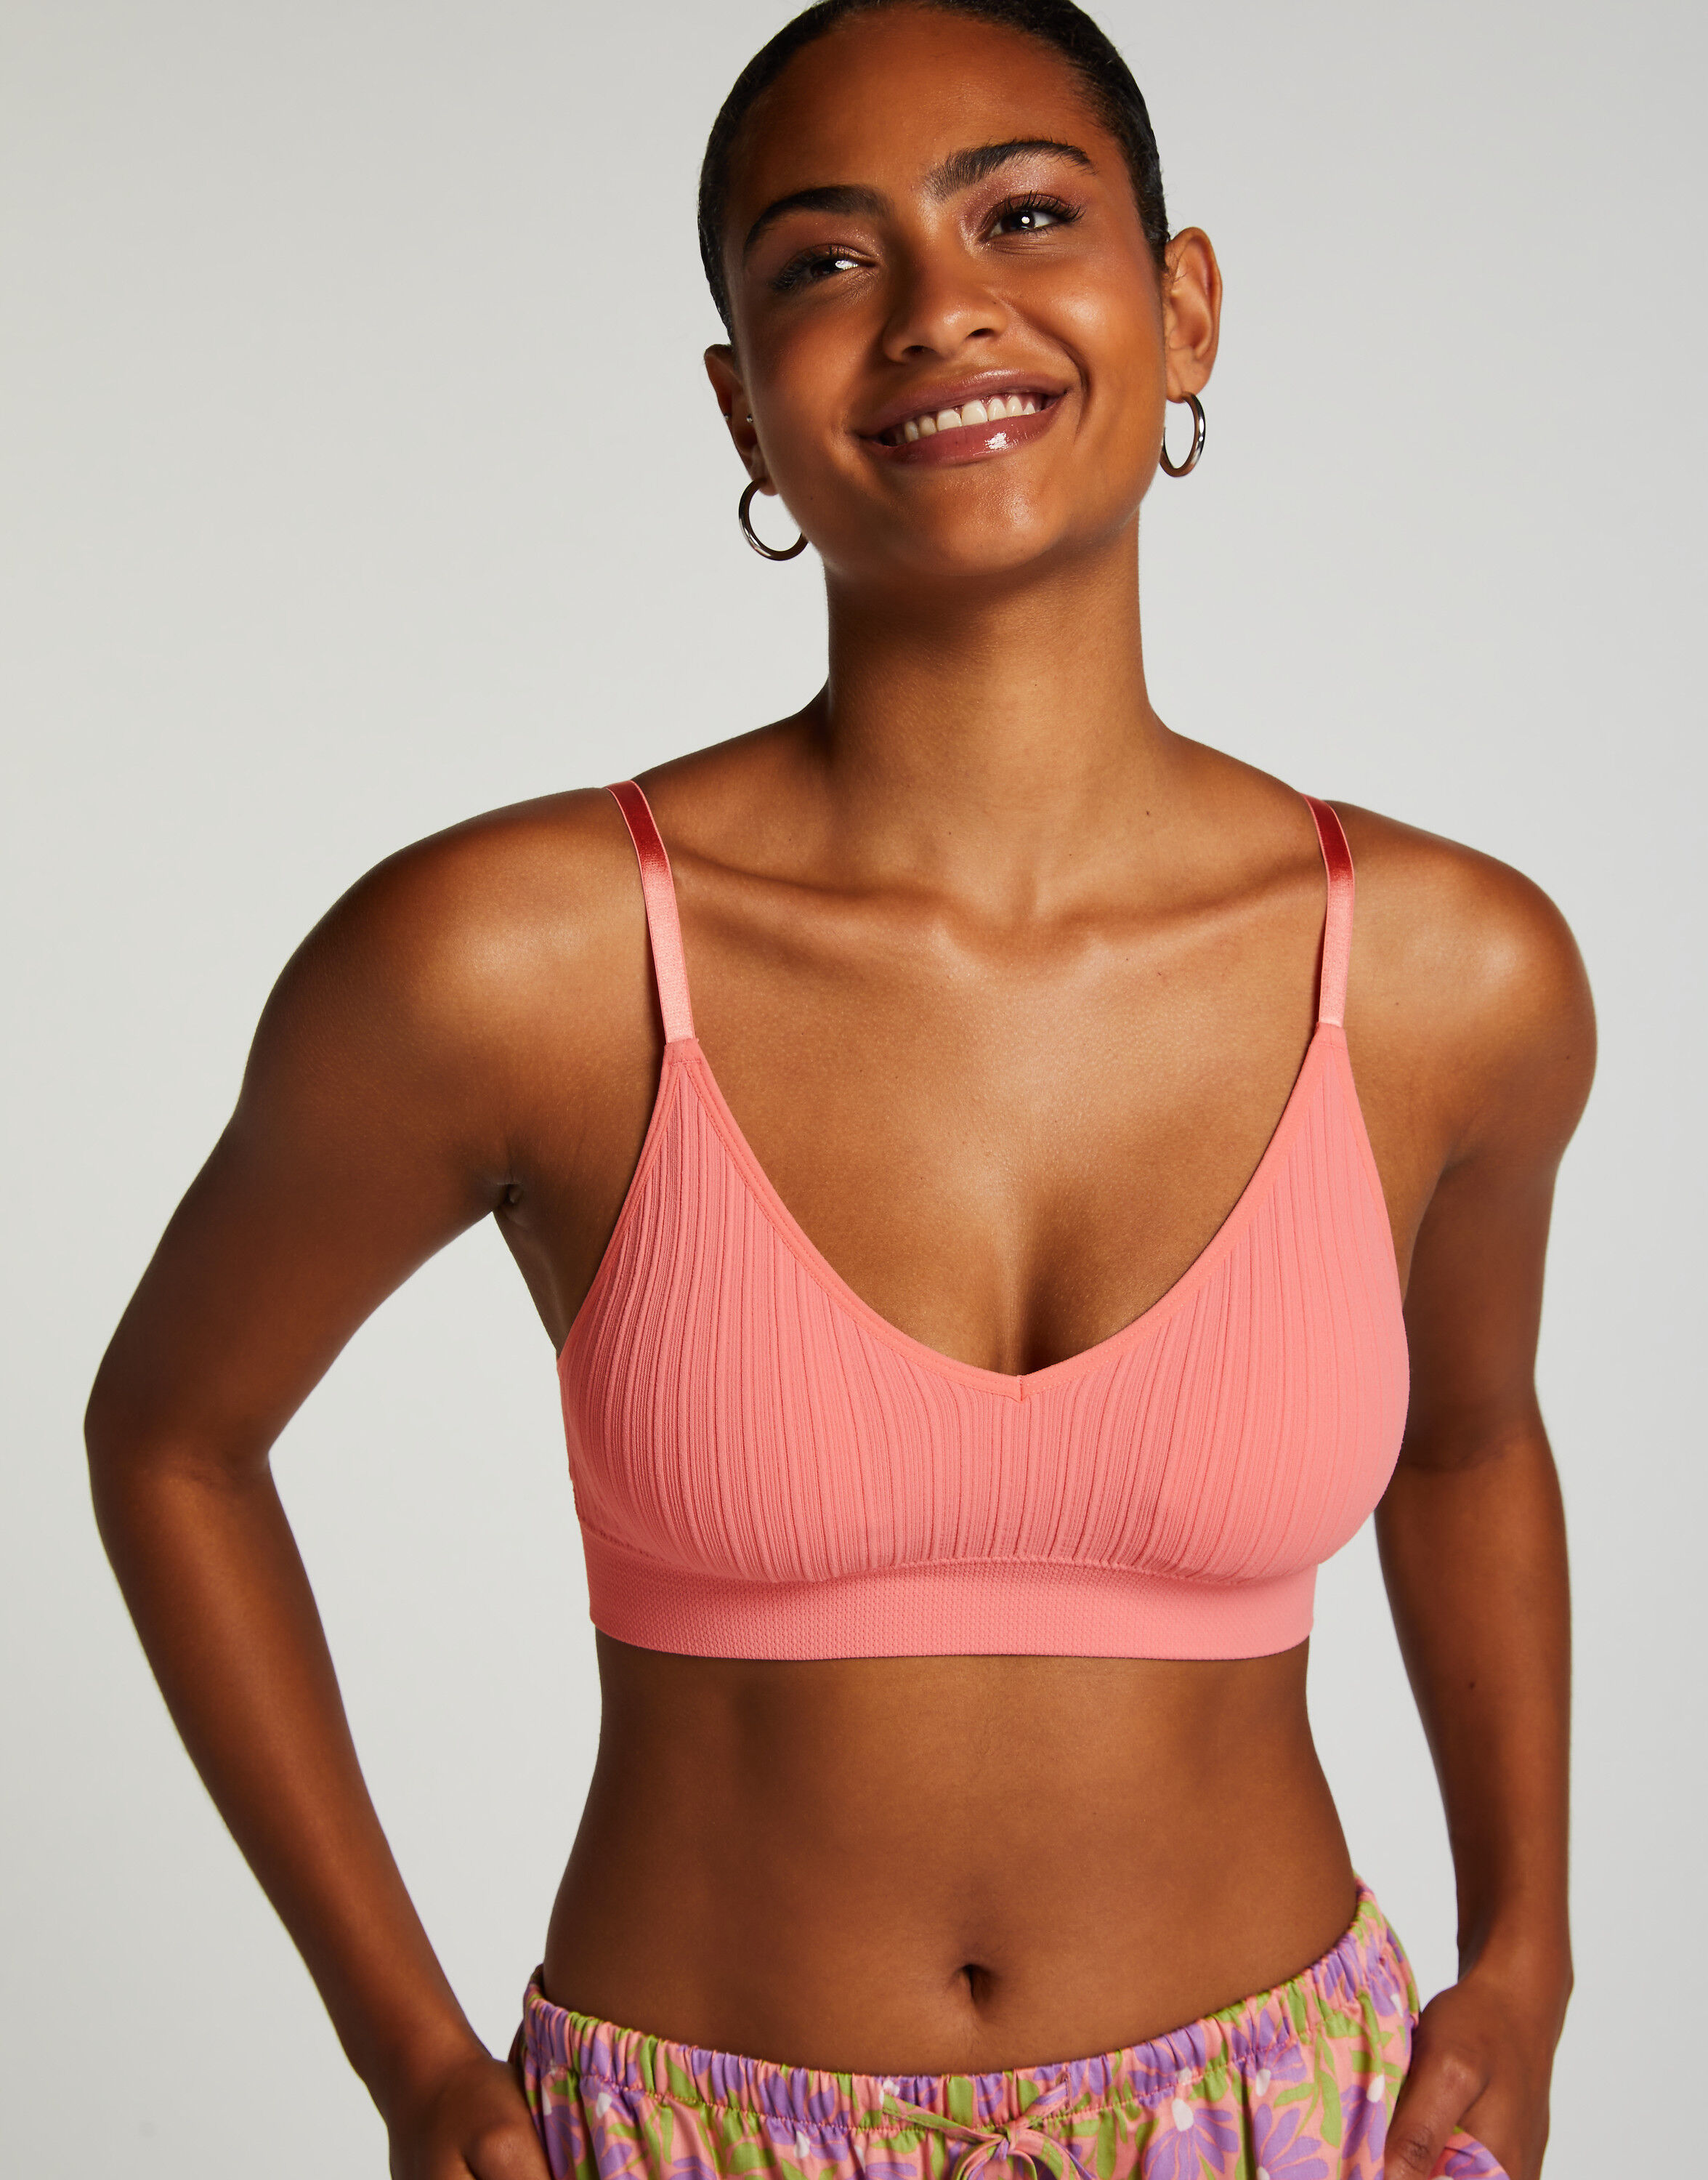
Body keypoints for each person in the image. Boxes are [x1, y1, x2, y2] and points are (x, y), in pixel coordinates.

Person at [85, 4, 1593, 2177]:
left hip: (1287, 2116)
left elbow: (1465, 1445)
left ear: (1182, 309)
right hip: (686, 2133)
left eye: (1025, 216)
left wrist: (1527, 1957)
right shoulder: (515, 962)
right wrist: (410, 2061)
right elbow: (173, 1440)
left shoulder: (1454, 976)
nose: (937, 309)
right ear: (741, 405)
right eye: (824, 259)